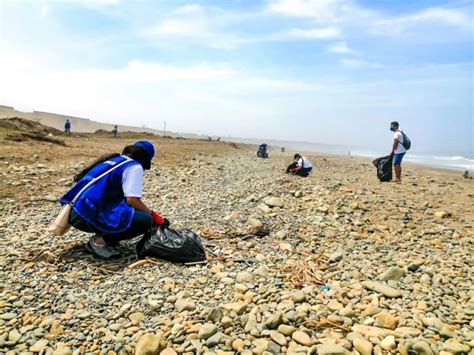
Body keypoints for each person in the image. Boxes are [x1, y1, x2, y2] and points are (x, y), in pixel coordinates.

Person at [59, 141, 169, 259]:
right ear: (147, 158)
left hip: (75, 210)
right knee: (145, 220)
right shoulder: (134, 167)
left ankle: (106, 234)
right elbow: (132, 200)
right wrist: (154, 216)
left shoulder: (115, 160)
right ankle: (98, 242)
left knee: (129, 211)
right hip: (84, 216)